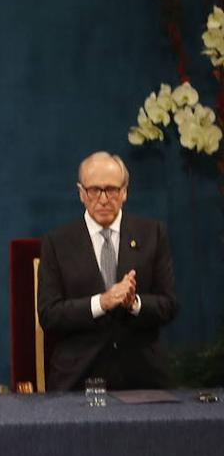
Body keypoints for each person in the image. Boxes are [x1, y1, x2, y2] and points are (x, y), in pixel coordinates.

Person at [37, 152, 177, 391]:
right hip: (78, 379)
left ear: (124, 192)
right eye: (94, 190)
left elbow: (168, 306)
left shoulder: (152, 234)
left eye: (111, 190)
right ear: (81, 193)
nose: (103, 199)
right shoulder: (57, 242)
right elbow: (50, 316)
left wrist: (134, 303)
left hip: (143, 379)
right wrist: (102, 302)